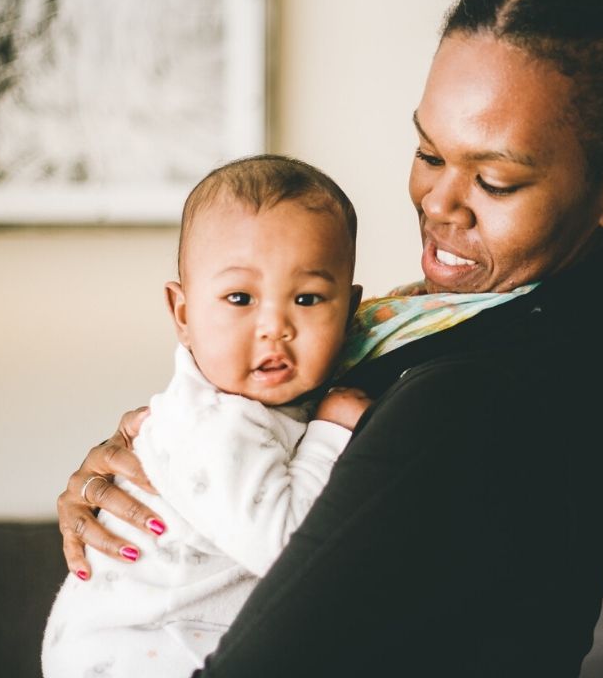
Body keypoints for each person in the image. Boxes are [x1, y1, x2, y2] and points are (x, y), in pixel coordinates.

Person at [55, 0, 603, 676]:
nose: (440, 202)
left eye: (496, 179)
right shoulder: (485, 315)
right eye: (428, 152)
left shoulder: (486, 385)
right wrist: (160, 455)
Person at [42, 156, 371, 676]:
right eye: (240, 298)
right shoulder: (214, 423)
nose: (274, 327)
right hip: (143, 652)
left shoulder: (258, 406)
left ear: (351, 312)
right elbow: (292, 555)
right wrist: (332, 432)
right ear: (184, 314)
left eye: (307, 298)